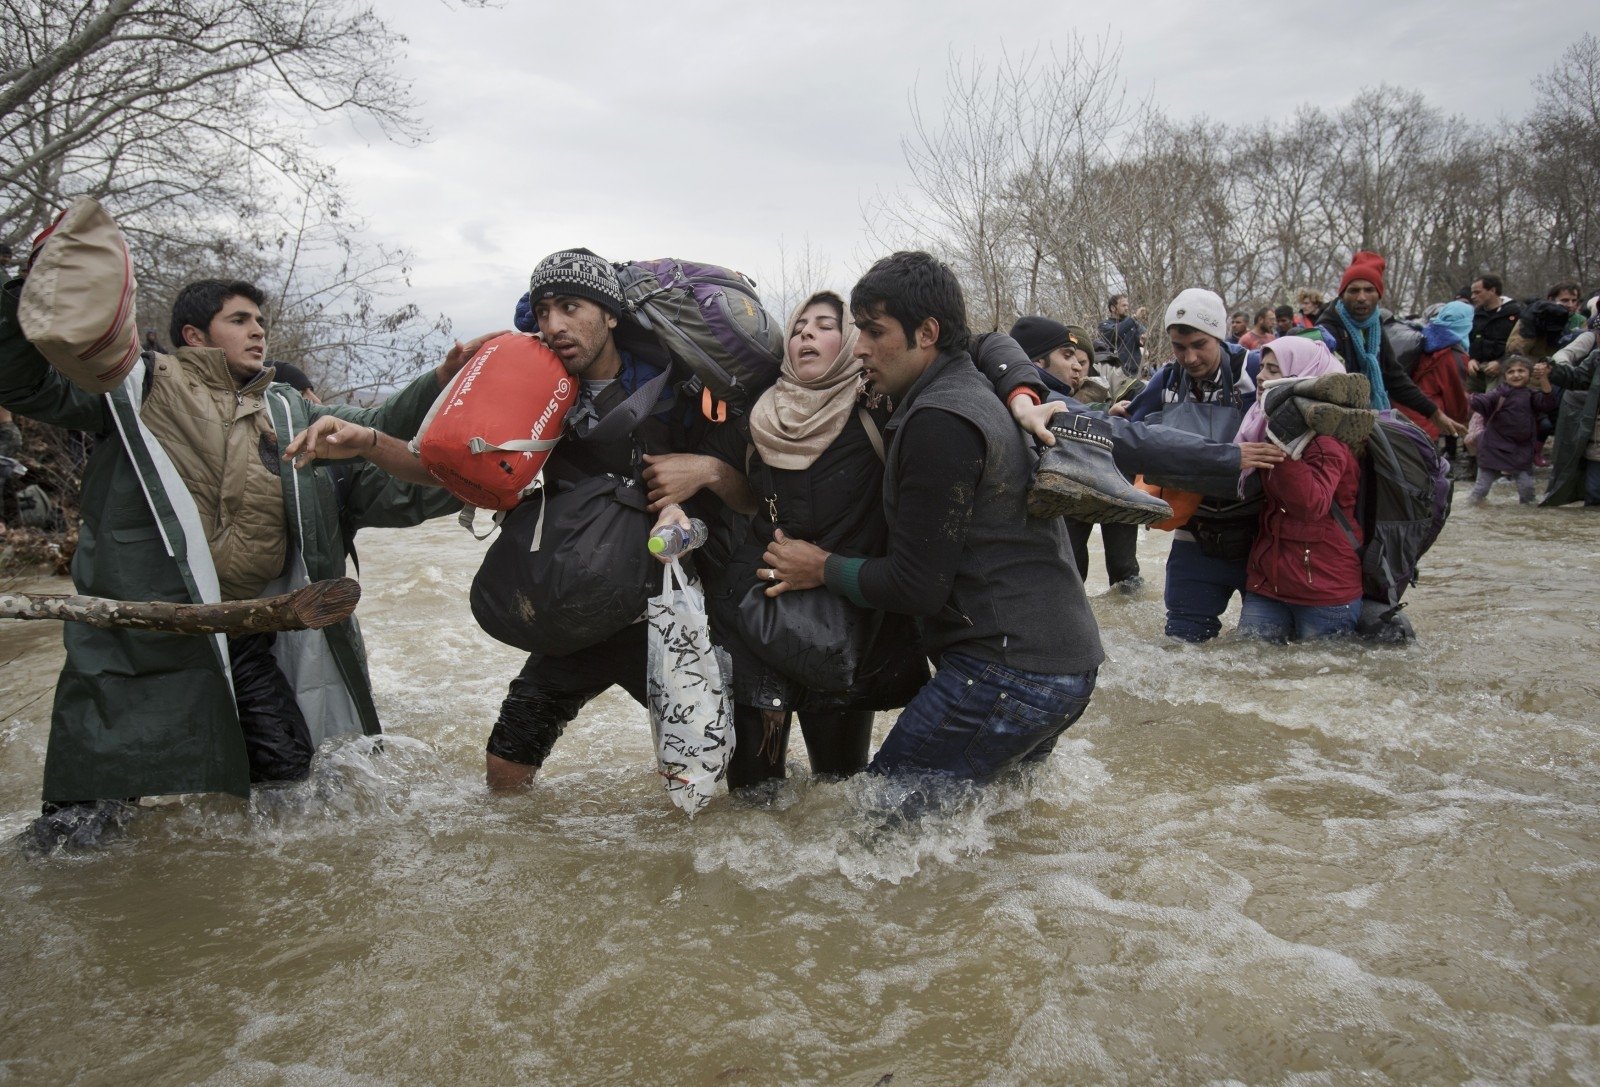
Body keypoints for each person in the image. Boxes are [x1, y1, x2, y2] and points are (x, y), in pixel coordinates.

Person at [0, 274, 466, 844]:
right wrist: (25, 292)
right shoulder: (137, 382)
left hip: (242, 627)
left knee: (289, 782)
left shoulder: (287, 408)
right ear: (194, 335)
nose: (258, 333)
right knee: (83, 821)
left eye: (261, 323)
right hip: (136, 631)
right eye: (240, 320)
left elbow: (379, 428)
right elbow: (25, 383)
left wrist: (444, 378)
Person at [763, 252, 1102, 782]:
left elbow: (916, 586)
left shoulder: (938, 421)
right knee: (983, 830)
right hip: (1063, 664)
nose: (861, 348)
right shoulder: (973, 386)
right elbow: (989, 340)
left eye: (875, 332)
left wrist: (822, 567)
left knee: (872, 834)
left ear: (927, 333)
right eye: (859, 330)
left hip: (1007, 673)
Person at [425, 249, 749, 791]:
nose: (554, 325)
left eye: (571, 307)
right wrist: (366, 441)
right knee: (505, 770)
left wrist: (709, 471)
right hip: (579, 610)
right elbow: (445, 468)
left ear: (611, 314)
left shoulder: (680, 393)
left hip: (668, 619)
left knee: (721, 780)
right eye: (544, 310)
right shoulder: (542, 399)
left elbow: (747, 503)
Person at [688, 292, 924, 790]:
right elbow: (717, 479)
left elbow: (970, 359)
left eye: (824, 325)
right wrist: (698, 480)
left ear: (849, 343)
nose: (807, 335)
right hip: (754, 614)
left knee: (838, 789)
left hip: (842, 625)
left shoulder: (880, 409)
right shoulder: (756, 412)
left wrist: (1023, 389)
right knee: (753, 799)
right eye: (798, 328)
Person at [1111, 288, 1263, 641]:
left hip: (1260, 532)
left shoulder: (1256, 370)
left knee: (1262, 648)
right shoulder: (1166, 379)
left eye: (1199, 344)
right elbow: (1131, 431)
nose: (1190, 358)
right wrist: (1115, 414)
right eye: (1180, 347)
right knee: (1181, 642)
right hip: (1196, 529)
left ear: (1219, 336)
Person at [1234, 337, 1366, 642]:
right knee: (1247, 673)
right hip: (1268, 584)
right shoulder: (1258, 422)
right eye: (1262, 366)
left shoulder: (1328, 439)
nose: (1261, 376)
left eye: (1273, 369)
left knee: (1321, 684)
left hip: (1325, 591)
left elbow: (1311, 505)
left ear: (1303, 378)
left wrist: (1282, 443)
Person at [1008, 315, 1143, 592]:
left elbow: (1127, 424)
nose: (1077, 367)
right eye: (1070, 357)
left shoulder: (1108, 382)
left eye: (1082, 361)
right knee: (1072, 563)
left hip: (1115, 475)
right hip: (1070, 484)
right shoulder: (1040, 394)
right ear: (1040, 361)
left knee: (1124, 567)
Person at [1317, 251, 1465, 438]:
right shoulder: (1328, 330)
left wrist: (1434, 413)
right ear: (1342, 295)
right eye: (1353, 290)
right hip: (1336, 429)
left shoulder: (1374, 326)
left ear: (1378, 294)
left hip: (1370, 420)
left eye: (1369, 290)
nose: (1361, 297)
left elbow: (1394, 376)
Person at [1467, 356, 1560, 505]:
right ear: (1504, 377)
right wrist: (1469, 398)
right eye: (1511, 372)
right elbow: (1483, 401)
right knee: (1481, 489)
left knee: (1527, 490)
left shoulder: (1532, 394)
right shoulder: (1499, 393)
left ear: (1529, 374)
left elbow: (1548, 403)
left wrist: (1543, 378)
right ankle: (1470, 510)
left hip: (1520, 449)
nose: (1516, 375)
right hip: (1493, 446)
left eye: (1521, 371)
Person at [1536, 335, 1600, 507]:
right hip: (1597, 438)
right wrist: (1553, 370)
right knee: (1594, 490)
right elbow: (1577, 378)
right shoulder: (1596, 357)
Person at [1399, 300, 1472, 444]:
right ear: (1465, 323)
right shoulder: (1453, 354)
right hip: (1426, 416)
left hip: (1399, 408)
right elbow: (1454, 395)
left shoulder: (1421, 336)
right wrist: (1461, 420)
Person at [1468, 273, 1522, 390]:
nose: (1472, 297)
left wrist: (1501, 363)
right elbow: (1471, 340)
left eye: (1477, 292)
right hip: (1477, 371)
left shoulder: (1515, 313)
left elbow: (1520, 346)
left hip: (1503, 371)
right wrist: (1471, 359)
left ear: (1492, 290)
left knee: (1494, 404)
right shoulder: (1476, 315)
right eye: (1472, 293)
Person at [1097, 293, 1144, 376]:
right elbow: (1116, 332)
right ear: (1112, 308)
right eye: (1123, 305)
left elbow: (1142, 338)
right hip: (1116, 374)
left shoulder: (1132, 324)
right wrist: (1134, 318)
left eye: (1127, 306)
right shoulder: (1104, 325)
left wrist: (1143, 338)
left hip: (1135, 373)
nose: (1127, 308)